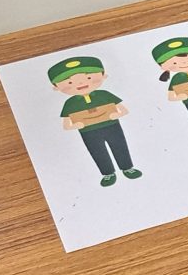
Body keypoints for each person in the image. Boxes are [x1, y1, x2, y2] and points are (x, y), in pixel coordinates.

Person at [49, 55, 142, 188]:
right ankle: (108, 173)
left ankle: (127, 167)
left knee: (119, 146)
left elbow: (123, 110)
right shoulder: (70, 103)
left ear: (104, 76)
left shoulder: (104, 95)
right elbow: (66, 124)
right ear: (56, 87)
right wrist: (75, 125)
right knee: (97, 151)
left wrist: (117, 114)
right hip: (88, 131)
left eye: (88, 78)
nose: (80, 84)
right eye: (70, 83)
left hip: (112, 126)